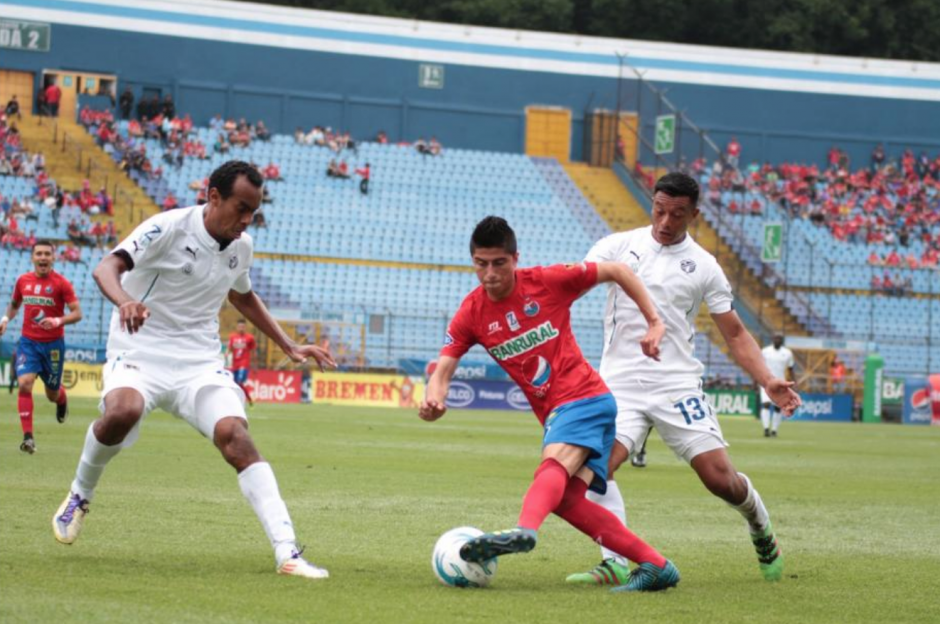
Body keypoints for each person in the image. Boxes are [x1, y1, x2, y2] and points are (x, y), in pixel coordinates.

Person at [51, 161, 336, 580]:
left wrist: (289, 344)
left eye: (253, 212)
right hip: (139, 350)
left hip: (199, 363)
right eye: (241, 208)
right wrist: (124, 301)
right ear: (214, 196)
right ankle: (80, 493)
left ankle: (287, 551)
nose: (246, 220)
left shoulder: (243, 246)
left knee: (236, 437)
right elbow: (106, 268)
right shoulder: (168, 227)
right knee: (121, 413)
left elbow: (242, 296)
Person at [420, 216, 680, 593]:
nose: (490, 273)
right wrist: (434, 398)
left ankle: (523, 531)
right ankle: (657, 565)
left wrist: (654, 322)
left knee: (552, 467)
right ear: (473, 262)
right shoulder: (472, 312)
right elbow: (443, 370)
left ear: (515, 258)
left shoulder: (547, 281)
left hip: (583, 398)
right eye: (481, 264)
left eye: (499, 263)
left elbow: (619, 271)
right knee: (567, 500)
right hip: (569, 410)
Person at [567, 172, 801, 587]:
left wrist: (767, 379)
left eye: (677, 214)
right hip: (619, 385)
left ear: (694, 213)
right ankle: (616, 560)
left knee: (719, 479)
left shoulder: (705, 266)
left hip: (676, 385)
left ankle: (759, 525)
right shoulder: (618, 246)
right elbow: (572, 282)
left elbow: (734, 333)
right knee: (595, 469)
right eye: (659, 210)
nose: (665, 221)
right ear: (652, 204)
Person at [0, 240, 82, 453]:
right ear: (32, 257)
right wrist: (5, 319)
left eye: (47, 254)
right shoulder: (23, 281)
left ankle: (61, 399)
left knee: (51, 394)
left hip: (53, 346)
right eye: (39, 254)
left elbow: (77, 313)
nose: (43, 257)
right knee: (25, 383)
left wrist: (58, 321)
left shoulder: (62, 284)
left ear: (54, 257)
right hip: (28, 343)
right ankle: (28, 437)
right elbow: (15, 304)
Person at [759, 334, 795, 437]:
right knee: (766, 404)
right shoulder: (765, 351)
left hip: (781, 383)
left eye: (779, 338)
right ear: (772, 339)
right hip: (766, 382)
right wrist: (755, 380)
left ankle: (774, 430)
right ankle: (766, 428)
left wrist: (793, 382)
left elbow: (791, 368)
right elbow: (758, 366)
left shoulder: (787, 353)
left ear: (782, 340)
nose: (777, 340)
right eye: (775, 338)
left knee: (778, 407)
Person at [228, 319, 256, 406]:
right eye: (240, 326)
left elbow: (253, 351)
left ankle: (241, 401)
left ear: (245, 327)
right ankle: (250, 400)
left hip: (244, 364)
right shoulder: (232, 337)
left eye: (243, 326)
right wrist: (226, 357)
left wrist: (255, 364)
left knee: (240, 382)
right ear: (237, 327)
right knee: (236, 384)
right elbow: (230, 349)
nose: (241, 328)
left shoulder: (250, 338)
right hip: (235, 364)